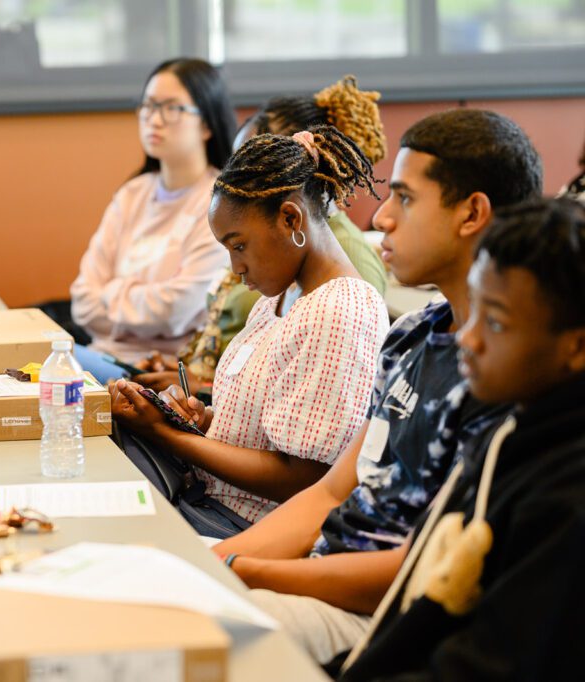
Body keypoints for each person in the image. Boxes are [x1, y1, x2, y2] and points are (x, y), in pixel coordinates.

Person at [209, 109, 542, 664]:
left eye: (405, 199)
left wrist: (247, 572)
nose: (382, 218)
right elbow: (333, 492)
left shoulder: (504, 375)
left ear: (471, 213)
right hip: (319, 568)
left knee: (185, 640)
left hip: (378, 614)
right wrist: (218, 560)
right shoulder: (415, 334)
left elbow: (421, 566)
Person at [339, 198, 585, 680]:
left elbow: (486, 665)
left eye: (494, 322)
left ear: (576, 346)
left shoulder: (566, 500)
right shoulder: (510, 431)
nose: (467, 340)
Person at [111, 124, 389, 539]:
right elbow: (262, 436)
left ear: (290, 218)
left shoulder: (340, 309)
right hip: (208, 500)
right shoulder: (277, 300)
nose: (235, 266)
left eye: (238, 246)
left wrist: (165, 433)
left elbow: (302, 477)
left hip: (247, 528)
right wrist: (202, 423)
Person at [135, 76, 388, 396]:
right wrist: (182, 374)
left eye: (252, 159)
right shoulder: (270, 251)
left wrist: (201, 393)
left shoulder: (344, 265)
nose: (238, 174)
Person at [70, 58, 236, 383]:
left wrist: (113, 293)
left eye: (172, 108)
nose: (154, 120)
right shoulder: (132, 194)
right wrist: (145, 302)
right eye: (148, 106)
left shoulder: (221, 202)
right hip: (98, 358)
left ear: (206, 124)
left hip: (162, 373)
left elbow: (179, 308)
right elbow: (82, 303)